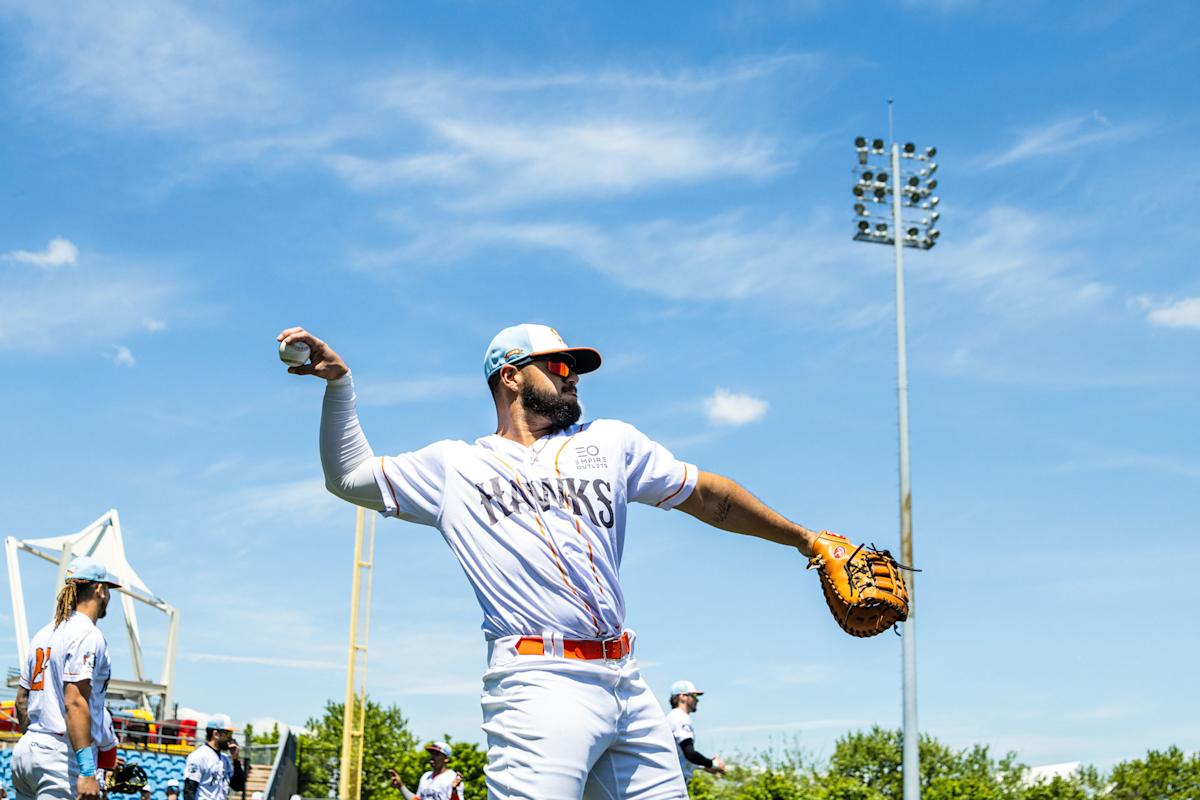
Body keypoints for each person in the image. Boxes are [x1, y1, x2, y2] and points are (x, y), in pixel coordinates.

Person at [279, 323, 826, 800]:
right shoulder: (454, 466)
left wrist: (803, 539)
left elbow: (708, 496)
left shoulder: (611, 442)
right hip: (539, 682)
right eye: (560, 365)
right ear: (510, 376)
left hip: (626, 681)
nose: (573, 376)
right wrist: (339, 385)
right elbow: (349, 478)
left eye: (577, 368)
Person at [11, 556, 121, 800]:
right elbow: (75, 702)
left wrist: (37, 742)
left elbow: (21, 700)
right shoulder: (87, 633)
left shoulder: (44, 632)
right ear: (99, 589)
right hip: (61, 756)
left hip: (28, 751)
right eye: (109, 590)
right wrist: (87, 771)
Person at [665, 680, 725, 792]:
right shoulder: (679, 718)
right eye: (693, 696)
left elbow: (682, 757)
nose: (697, 700)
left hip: (673, 784)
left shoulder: (674, 717)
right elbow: (690, 754)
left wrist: (704, 767)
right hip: (675, 785)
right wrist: (713, 764)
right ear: (682, 697)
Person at [183, 715, 245, 800]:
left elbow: (238, 786)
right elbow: (189, 790)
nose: (230, 738)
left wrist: (236, 760)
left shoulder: (225, 759)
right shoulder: (199, 756)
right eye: (227, 733)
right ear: (216, 734)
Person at [389, 742, 462, 800]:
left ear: (446, 759)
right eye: (431, 753)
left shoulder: (453, 778)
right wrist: (400, 786)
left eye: (436, 754)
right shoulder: (425, 777)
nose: (432, 757)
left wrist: (454, 791)